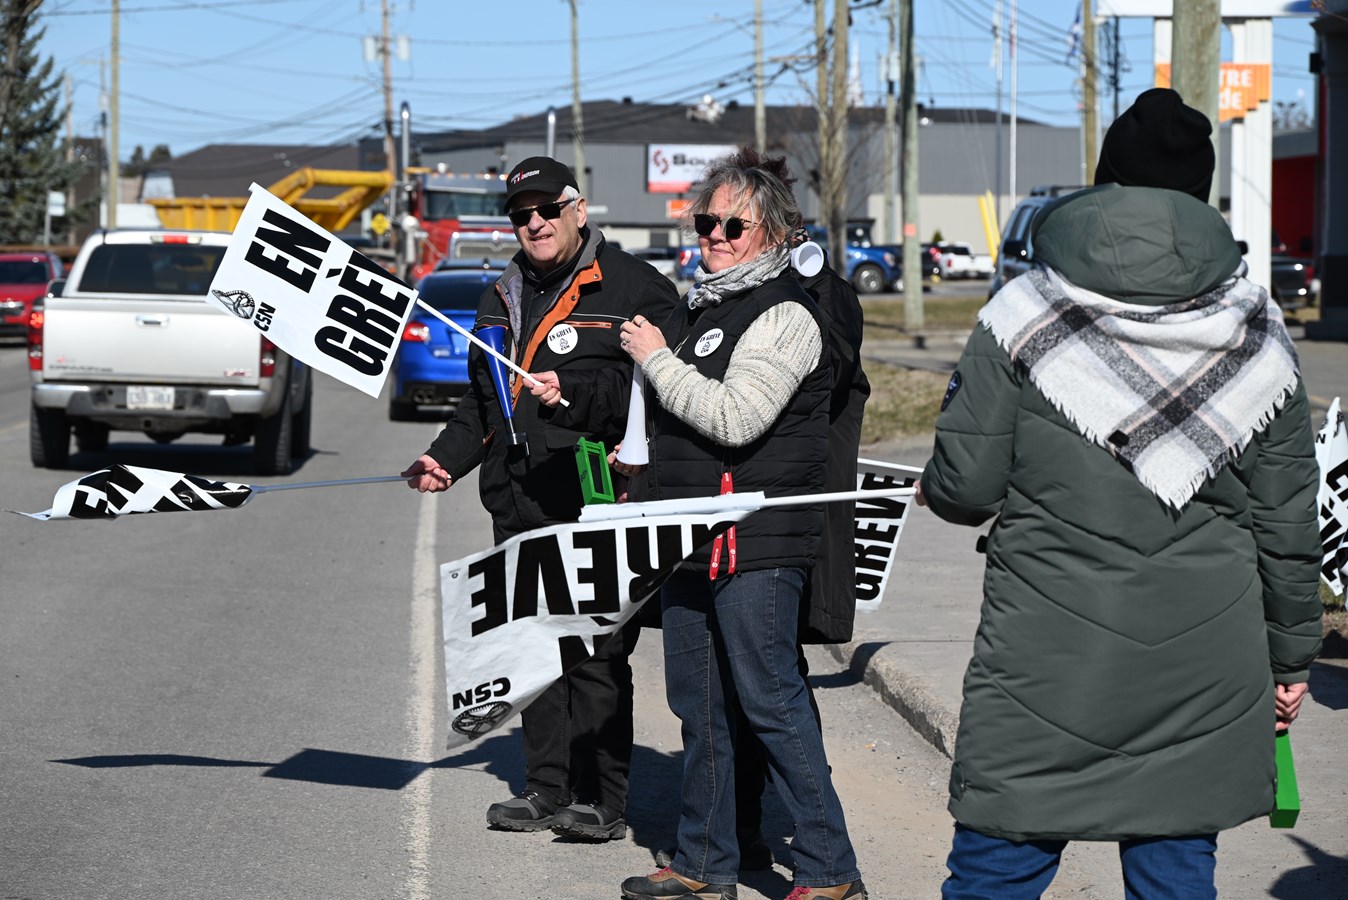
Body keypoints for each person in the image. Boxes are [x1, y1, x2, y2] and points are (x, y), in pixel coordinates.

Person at [917, 87, 1323, 899]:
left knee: (1000, 863)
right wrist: (1290, 657)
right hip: (1203, 658)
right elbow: (1286, 520)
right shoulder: (1256, 328)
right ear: (1200, 196)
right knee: (1175, 873)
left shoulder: (1024, 314)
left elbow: (964, 490)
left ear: (1103, 185)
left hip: (1045, 651)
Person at [614, 147, 867, 900]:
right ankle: (702, 865)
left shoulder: (787, 313)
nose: (715, 235)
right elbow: (689, 426)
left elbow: (736, 417)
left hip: (755, 543)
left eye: (734, 224)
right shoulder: (706, 309)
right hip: (690, 539)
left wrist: (658, 362)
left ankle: (831, 872)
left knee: (771, 706)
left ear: (778, 233)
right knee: (702, 710)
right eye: (706, 221)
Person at [402, 155, 679, 841]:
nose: (533, 224)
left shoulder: (636, 288)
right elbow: (482, 403)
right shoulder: (500, 298)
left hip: (597, 500)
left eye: (546, 210)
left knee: (597, 653)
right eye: (520, 215)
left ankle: (602, 800)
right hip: (518, 501)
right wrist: (446, 458)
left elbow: (660, 391)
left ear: (578, 209)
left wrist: (575, 395)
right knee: (531, 648)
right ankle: (545, 788)